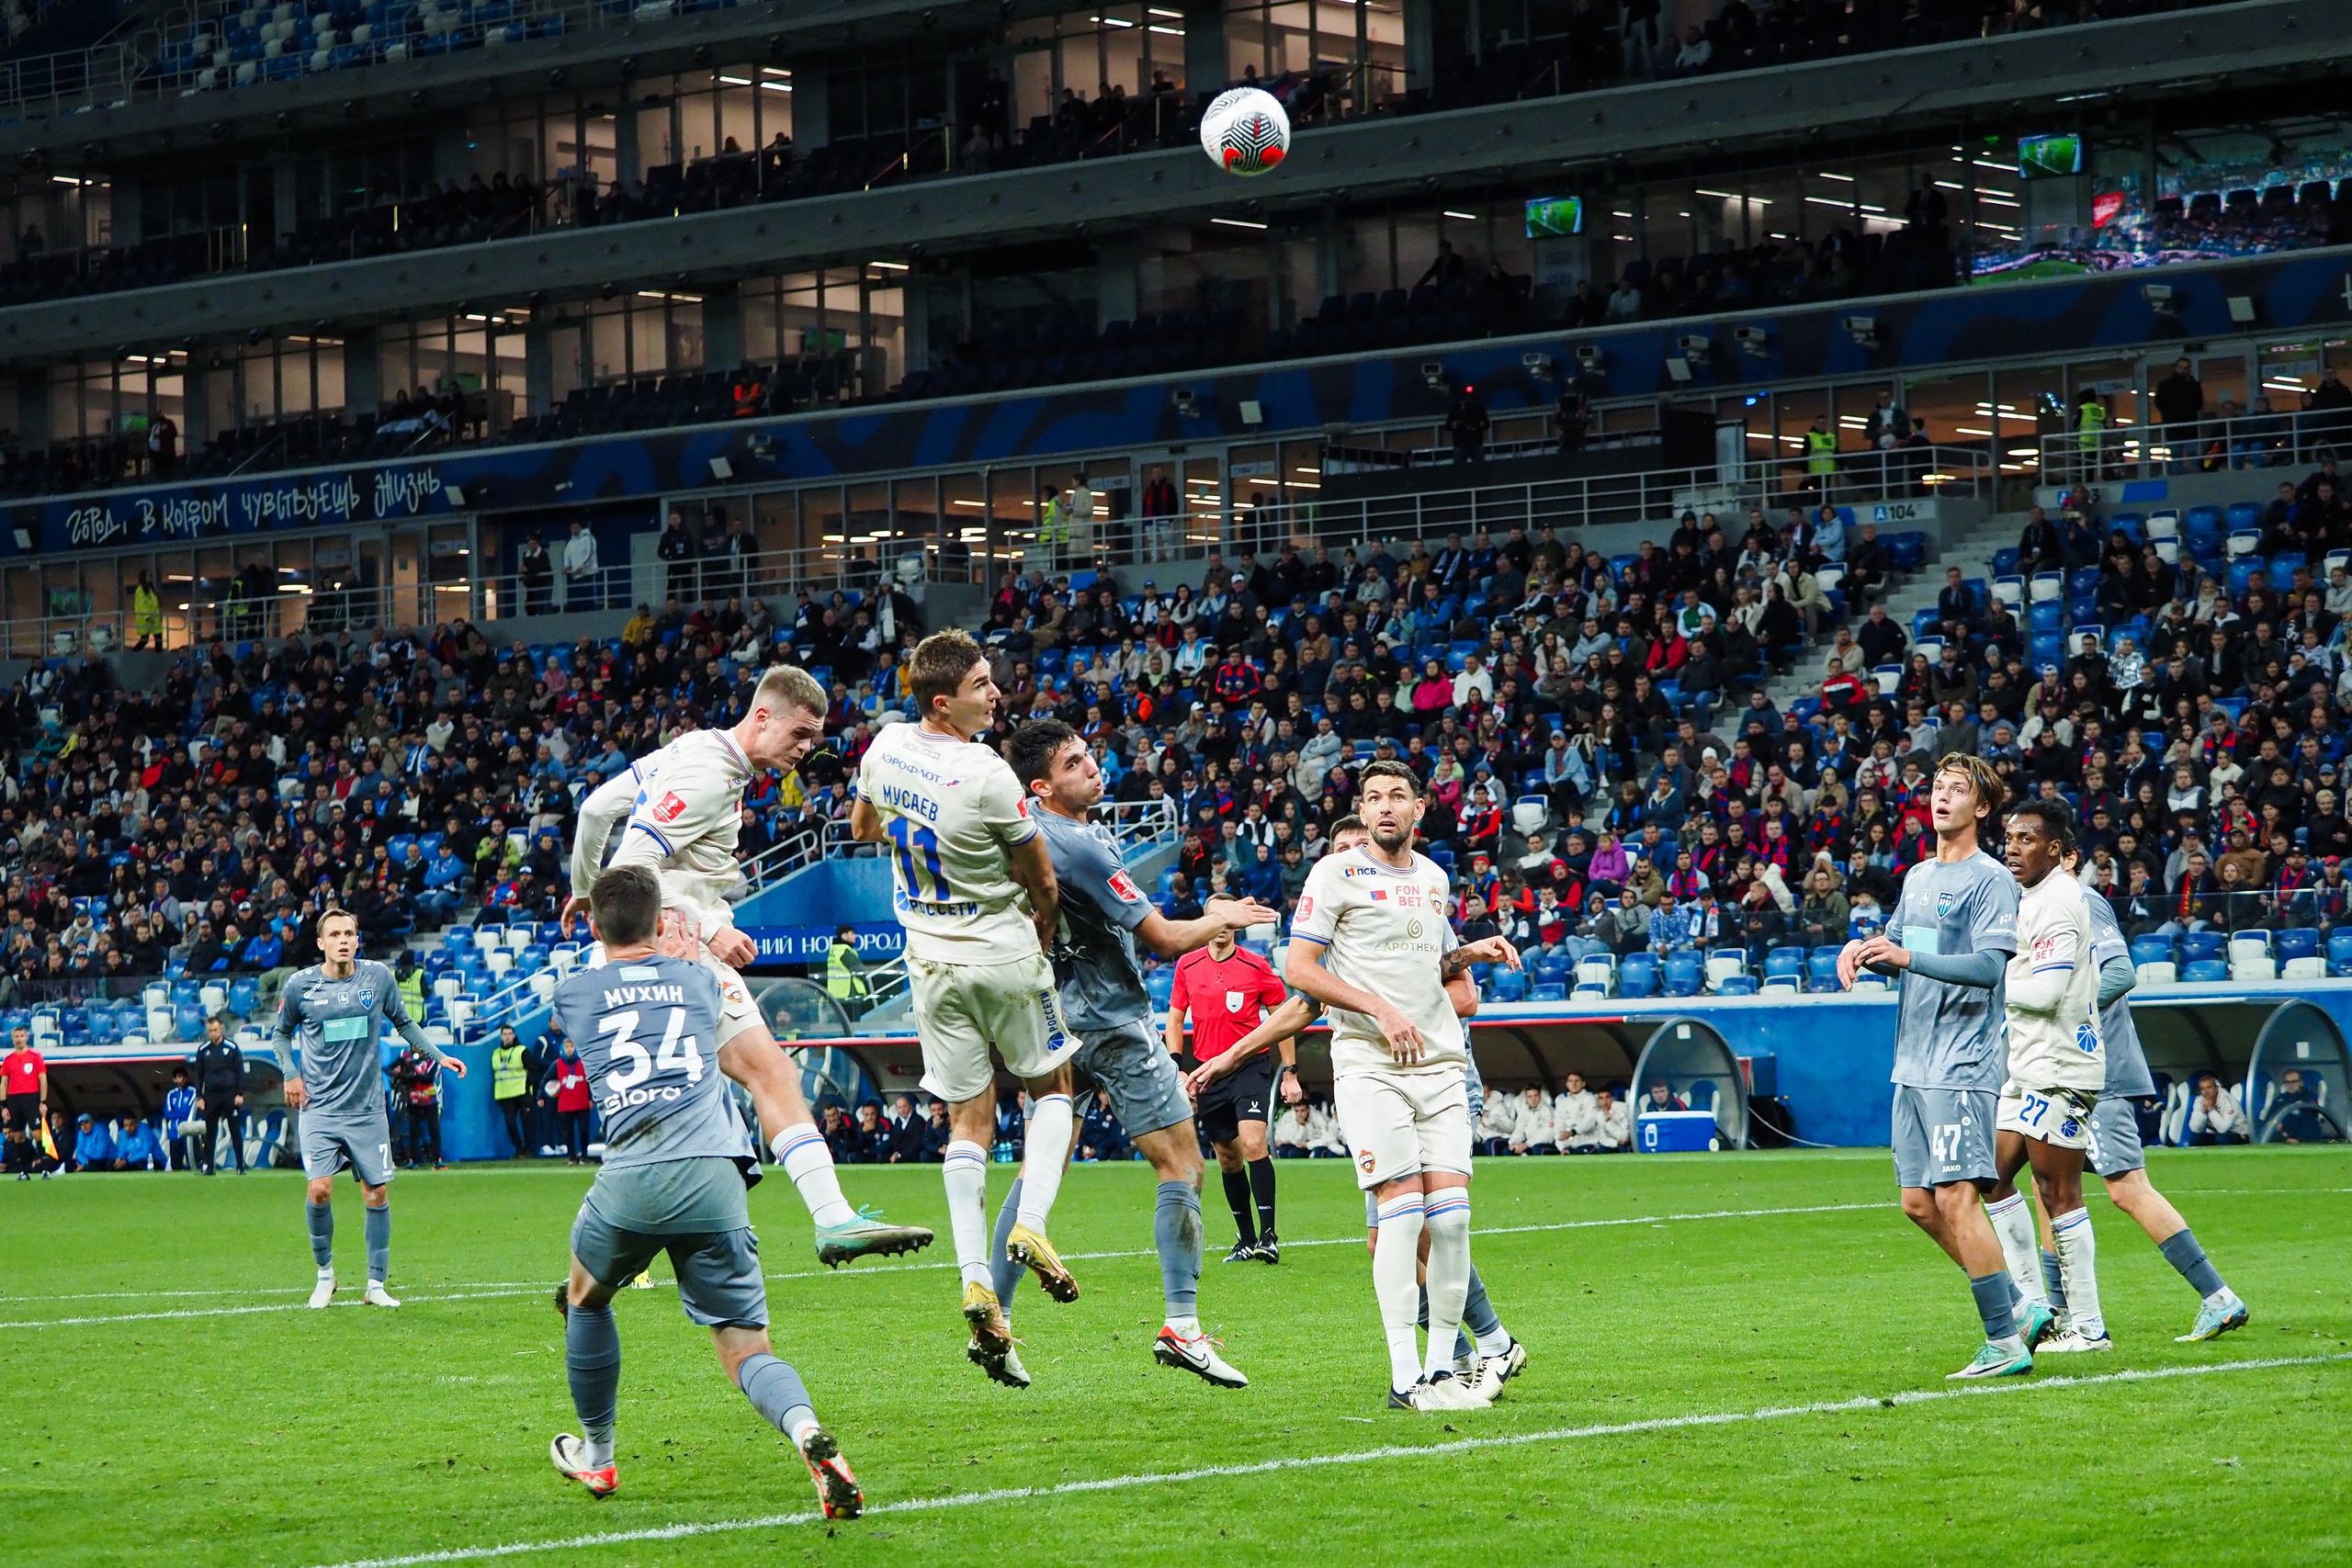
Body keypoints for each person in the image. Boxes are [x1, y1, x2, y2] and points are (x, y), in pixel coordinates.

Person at [567, 664, 931, 1267]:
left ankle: (827, 1218)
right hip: (675, 942)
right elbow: (631, 864)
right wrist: (710, 925)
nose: (807, 750)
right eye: (801, 734)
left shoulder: (694, 751)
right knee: (740, 1082)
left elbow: (595, 810)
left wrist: (584, 892)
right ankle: (613, 1241)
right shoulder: (707, 773)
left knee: (757, 1076)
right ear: (762, 717)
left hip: (664, 937)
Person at [545, 865, 863, 1517]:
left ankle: (598, 1456)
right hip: (717, 1175)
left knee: (584, 1294)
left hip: (633, 1174)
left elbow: (621, 973)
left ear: (595, 928)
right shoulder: (695, 981)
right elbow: (702, 989)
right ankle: (808, 1431)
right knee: (747, 1347)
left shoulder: (573, 993)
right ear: (661, 922)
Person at [1205, 818, 1526, 1401]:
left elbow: (1464, 993)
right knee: (1398, 1233)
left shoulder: (1422, 894)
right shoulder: (1343, 941)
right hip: (1378, 1079)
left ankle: (1485, 1346)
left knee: (1430, 1223)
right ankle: (1464, 1355)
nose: (1359, 866)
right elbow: (1301, 1005)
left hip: (1444, 1075)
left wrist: (1431, 983)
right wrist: (1230, 1057)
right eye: (1345, 856)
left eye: (1361, 852)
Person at [1003, 718, 1277, 1388]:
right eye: (1073, 763)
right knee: (1182, 1161)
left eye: (1088, 754)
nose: (1092, 767)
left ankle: (994, 1312)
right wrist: (1224, 916)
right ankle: (1182, 1327)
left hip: (1052, 1016)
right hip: (1114, 1021)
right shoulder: (1084, 848)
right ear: (1043, 785)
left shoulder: (1028, 832)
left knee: (1042, 1171)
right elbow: (1161, 939)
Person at [849, 629, 1084, 1381]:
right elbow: (1041, 879)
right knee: (1054, 1090)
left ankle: (972, 1276)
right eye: (984, 684)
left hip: (929, 960)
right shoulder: (987, 773)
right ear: (944, 701)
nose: (997, 692)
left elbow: (861, 828)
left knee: (968, 1119)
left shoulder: (883, 749)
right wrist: (1043, 932)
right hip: (1002, 953)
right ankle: (1036, 1226)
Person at [1285, 761, 1521, 1412]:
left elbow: (1427, 963)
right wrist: (1380, 1010)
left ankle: (1445, 1372)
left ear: (1419, 807)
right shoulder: (1333, 873)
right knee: (1400, 1211)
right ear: (1360, 812)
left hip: (1440, 1065)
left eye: (1397, 796)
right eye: (1372, 798)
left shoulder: (1436, 878)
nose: (1385, 807)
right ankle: (1404, 1376)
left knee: (1452, 1219)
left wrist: (1473, 952)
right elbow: (1299, 965)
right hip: (1369, 1062)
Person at [1838, 755, 2034, 1381]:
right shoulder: (1920, 875)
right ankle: (2017, 1308)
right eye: (1936, 787)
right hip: (1913, 1061)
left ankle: (2004, 1339)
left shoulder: (1991, 879)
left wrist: (1903, 956)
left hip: (1962, 1061)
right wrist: (1862, 948)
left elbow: (1986, 966)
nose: (1941, 796)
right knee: (1918, 1203)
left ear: (1981, 809)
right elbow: (1905, 946)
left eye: (1957, 790)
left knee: (1955, 1196)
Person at [2054, 869, 2249, 1342]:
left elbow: (2121, 973)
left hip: (2099, 1073)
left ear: (2067, 855)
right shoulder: (2044, 908)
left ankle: (2218, 1297)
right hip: (2060, 1072)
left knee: (2127, 1188)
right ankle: (2061, 1317)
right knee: (2051, 1188)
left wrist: (2063, 1013)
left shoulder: (2081, 899)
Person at [273, 907, 468, 1309]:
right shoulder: (299, 986)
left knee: (376, 1194)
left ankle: (376, 1284)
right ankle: (325, 1275)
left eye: (350, 933)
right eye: (335, 934)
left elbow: (404, 1022)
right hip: (320, 1109)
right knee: (319, 1190)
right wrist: (291, 1073)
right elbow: (280, 1034)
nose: (343, 940)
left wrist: (437, 1056)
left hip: (366, 1111)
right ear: (321, 943)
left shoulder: (377, 977)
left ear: (357, 939)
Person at [1977, 799, 2109, 1355]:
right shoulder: (2030, 898)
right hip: (2026, 1067)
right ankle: (2036, 1310)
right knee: (1992, 1180)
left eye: (2027, 838)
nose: (2012, 846)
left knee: (2060, 1194)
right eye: (2009, 836)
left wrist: (1984, 984)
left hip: (2059, 1068)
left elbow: (2047, 991)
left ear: (2055, 849)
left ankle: (2089, 1327)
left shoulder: (2058, 901)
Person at [1164, 897, 1292, 1263]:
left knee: (1253, 1143)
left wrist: (1291, 1071)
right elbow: (1174, 1020)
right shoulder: (1187, 965)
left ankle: (1269, 1236)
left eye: (1227, 918)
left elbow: (1282, 1016)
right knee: (1227, 1159)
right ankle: (1247, 1239)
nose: (1221, 924)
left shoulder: (1256, 965)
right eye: (1214, 918)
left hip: (1249, 1065)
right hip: (1208, 1071)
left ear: (1236, 924)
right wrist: (1177, 1065)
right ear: (1205, 922)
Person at [191, 1016, 249, 1175]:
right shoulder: (203, 1050)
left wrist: (240, 1093)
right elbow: (198, 1075)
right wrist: (199, 1097)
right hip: (211, 1095)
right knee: (210, 1132)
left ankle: (240, 1166)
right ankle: (208, 1166)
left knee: (235, 1130)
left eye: (215, 1030)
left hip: (229, 1094)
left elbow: (239, 1072)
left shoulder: (231, 1047)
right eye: (210, 1031)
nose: (213, 1033)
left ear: (221, 1028)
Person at [2, 1023, 47, 1179]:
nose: (19, 1039)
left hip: (31, 1097)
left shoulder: (35, 1057)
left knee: (37, 1133)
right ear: (12, 1039)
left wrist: (43, 1101)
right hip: (14, 1100)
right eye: (16, 1037)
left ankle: (45, 1168)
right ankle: (23, 1171)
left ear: (27, 1038)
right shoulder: (8, 1060)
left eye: (22, 1036)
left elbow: (43, 1079)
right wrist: (4, 1105)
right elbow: (4, 1083)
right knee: (18, 1135)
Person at [492, 1023, 532, 1157]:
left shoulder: (522, 1050)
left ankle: (528, 1149)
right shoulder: (496, 1053)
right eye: (505, 1034)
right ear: (501, 1036)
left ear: (514, 1035)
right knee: (510, 1122)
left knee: (527, 1122)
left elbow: (534, 1070)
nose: (508, 1037)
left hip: (522, 1091)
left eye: (510, 1034)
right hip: (505, 1093)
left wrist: (527, 1086)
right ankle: (518, 1147)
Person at [553, 1036, 592, 1161]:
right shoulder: (558, 1063)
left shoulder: (584, 1062)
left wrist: (591, 1098)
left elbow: (591, 1081)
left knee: (583, 1131)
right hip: (566, 1103)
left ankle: (584, 1155)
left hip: (582, 1102)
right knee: (568, 1132)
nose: (569, 1049)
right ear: (563, 1049)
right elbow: (546, 1079)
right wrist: (542, 1096)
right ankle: (572, 1156)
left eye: (571, 1046)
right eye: (567, 1047)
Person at [2184, 1076, 2245, 1145]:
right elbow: (2195, 1128)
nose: (2206, 1092)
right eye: (2202, 1089)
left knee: (2222, 1139)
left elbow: (2223, 1129)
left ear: (2216, 1089)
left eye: (2209, 1087)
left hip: (2237, 1133)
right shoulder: (2200, 1100)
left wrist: (2210, 1110)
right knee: (2194, 1139)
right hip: (2215, 1134)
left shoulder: (2227, 1099)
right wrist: (2203, 1113)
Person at [824, 925, 871, 1012]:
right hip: (849, 994)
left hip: (835, 994)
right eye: (852, 934)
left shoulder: (833, 952)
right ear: (844, 936)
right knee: (853, 1024)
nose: (855, 936)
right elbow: (861, 972)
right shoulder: (845, 952)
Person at [163, 1066, 199, 1171]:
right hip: (174, 1134)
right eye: (179, 1077)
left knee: (193, 1162)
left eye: (183, 1077)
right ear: (174, 1079)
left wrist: (177, 1113)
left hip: (190, 1133)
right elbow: (168, 1113)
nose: (181, 1079)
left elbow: (191, 1112)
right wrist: (181, 1114)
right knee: (175, 1165)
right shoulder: (171, 1094)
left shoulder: (193, 1092)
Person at [561, 519, 602, 610]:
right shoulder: (570, 543)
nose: (574, 529)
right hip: (576, 574)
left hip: (588, 572)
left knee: (589, 595)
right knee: (580, 597)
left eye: (576, 527)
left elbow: (591, 552)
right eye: (572, 528)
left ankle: (592, 613)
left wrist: (583, 566)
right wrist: (566, 566)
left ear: (580, 527)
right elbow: (567, 556)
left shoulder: (588, 538)